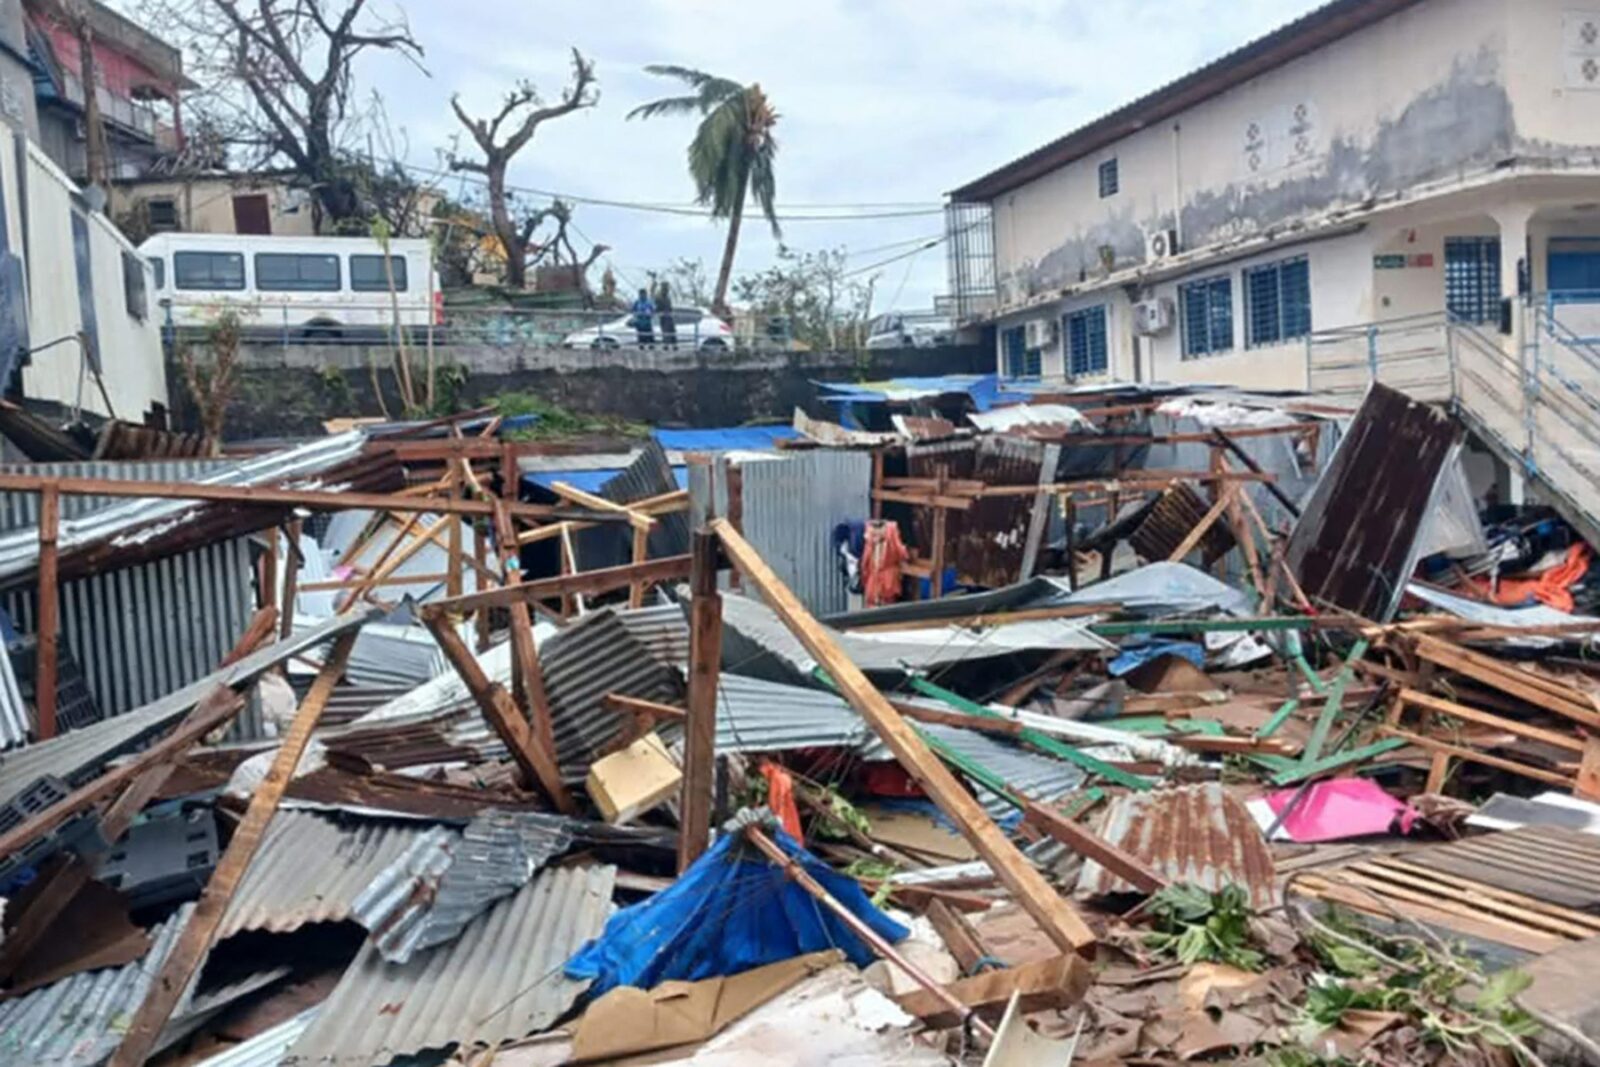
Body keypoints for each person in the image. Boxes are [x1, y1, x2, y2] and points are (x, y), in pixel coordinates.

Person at [656, 282, 678, 350]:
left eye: (667, 288)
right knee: (666, 332)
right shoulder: (659, 297)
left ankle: (674, 346)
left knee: (672, 331)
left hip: (669, 317)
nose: (667, 289)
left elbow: (670, 307)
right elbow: (657, 308)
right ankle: (666, 346)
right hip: (664, 317)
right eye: (665, 288)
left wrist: (671, 312)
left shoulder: (668, 297)